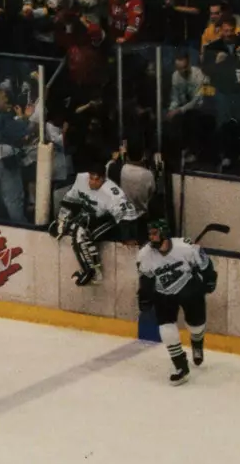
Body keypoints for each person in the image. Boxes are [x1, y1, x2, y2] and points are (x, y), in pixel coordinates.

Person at [136, 218, 217, 386]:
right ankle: (180, 366)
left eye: (154, 233)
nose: (151, 237)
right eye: (149, 234)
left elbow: (206, 265)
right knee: (166, 329)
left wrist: (210, 279)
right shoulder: (145, 255)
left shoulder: (186, 247)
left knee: (196, 325)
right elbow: (146, 279)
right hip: (164, 293)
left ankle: (197, 342)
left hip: (189, 287)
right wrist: (144, 296)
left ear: (164, 233)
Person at [49, 161, 139, 286]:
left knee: (81, 233)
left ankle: (89, 271)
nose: (92, 182)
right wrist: (62, 220)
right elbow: (70, 200)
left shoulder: (113, 194)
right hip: (90, 216)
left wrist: (127, 237)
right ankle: (95, 268)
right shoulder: (81, 179)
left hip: (110, 220)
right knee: (65, 228)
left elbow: (128, 214)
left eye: (96, 180)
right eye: (91, 178)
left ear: (103, 178)